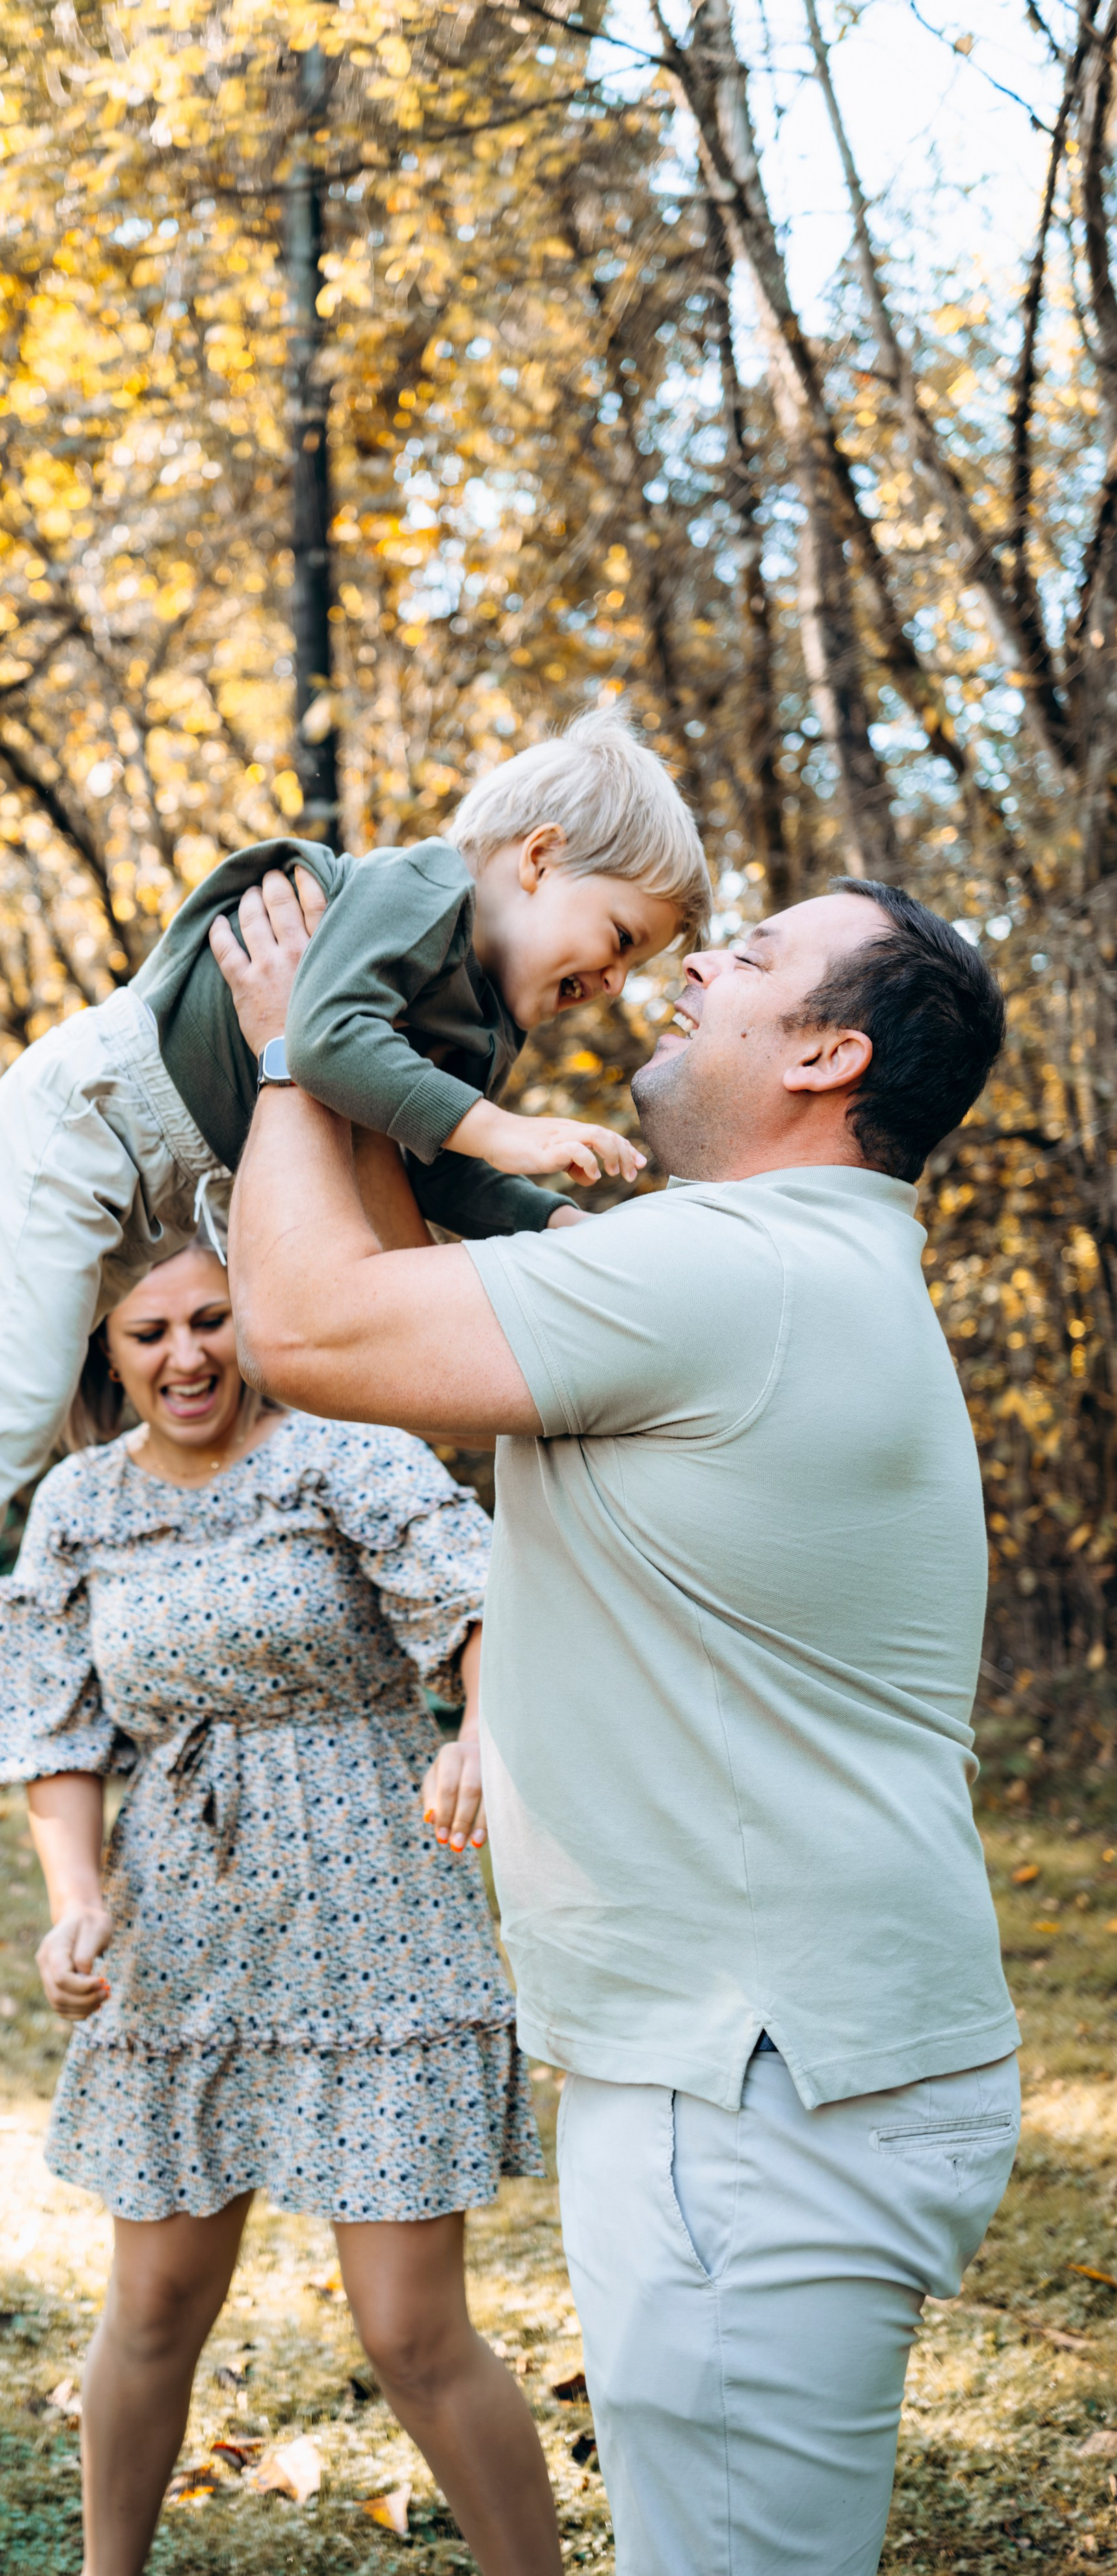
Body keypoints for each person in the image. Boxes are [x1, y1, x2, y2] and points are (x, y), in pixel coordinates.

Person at [211, 871, 1019, 2576]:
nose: (701, 963)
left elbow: (303, 1322)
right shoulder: (764, 1270)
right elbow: (398, 1285)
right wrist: (371, 1059)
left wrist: (294, 1054)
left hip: (761, 2084)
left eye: (753, 956)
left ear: (825, 1052)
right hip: (767, 2055)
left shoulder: (727, 1276)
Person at [0, 709, 709, 1843]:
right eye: (618, 939)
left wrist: (552, 1220)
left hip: (147, 1186)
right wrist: (500, 1129)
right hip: (93, 1119)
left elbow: (422, 1164)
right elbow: (325, 1039)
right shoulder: (421, 891)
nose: (613, 982)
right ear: (542, 861)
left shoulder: (475, 1029)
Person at [0, 1230, 561, 2576]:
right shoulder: (77, 1505)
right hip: (181, 1928)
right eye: (149, 1333)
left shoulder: (344, 1453)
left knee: (411, 2336)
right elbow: (51, 1730)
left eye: (211, 1320)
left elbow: (477, 1602)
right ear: (106, 1353)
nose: (186, 1356)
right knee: (152, 2309)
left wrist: (477, 1727)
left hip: (374, 1907)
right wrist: (74, 1906)